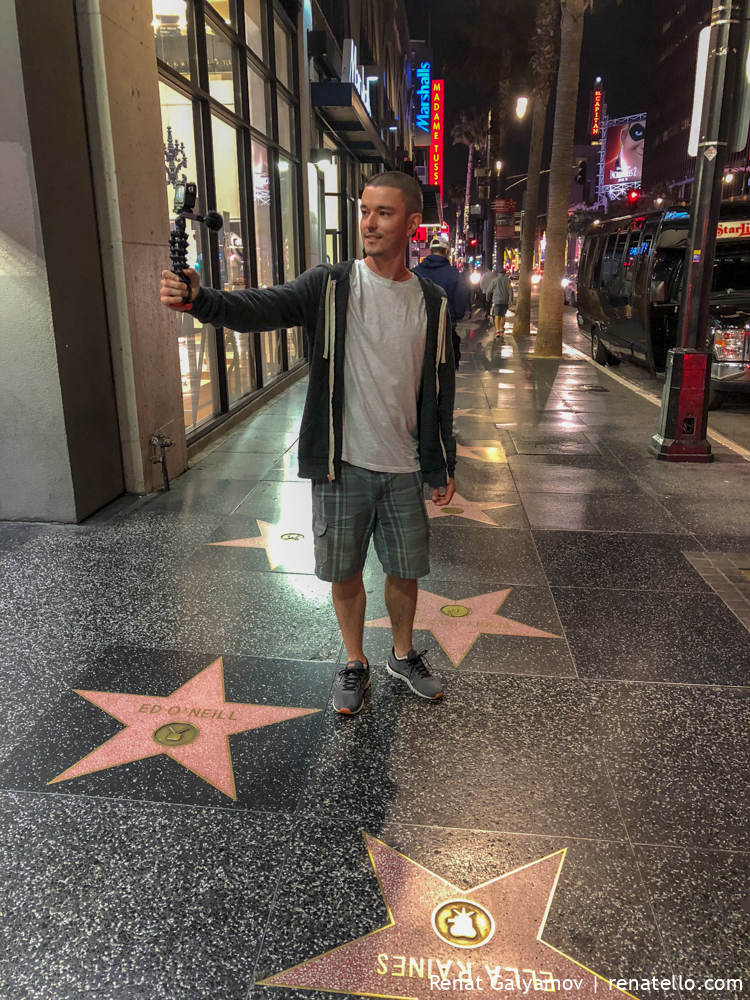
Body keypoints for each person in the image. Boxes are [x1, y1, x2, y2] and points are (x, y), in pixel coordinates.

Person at [159, 172, 457, 717]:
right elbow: (261, 308)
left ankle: (402, 652)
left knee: (405, 570)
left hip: (405, 464)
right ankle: (354, 660)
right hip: (340, 462)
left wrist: (443, 464)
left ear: (413, 224)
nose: (368, 222)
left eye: (384, 213)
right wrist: (203, 300)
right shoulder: (330, 286)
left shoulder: (433, 302)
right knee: (343, 571)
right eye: (365, 210)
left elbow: (441, 388)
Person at [413, 235, 470, 369]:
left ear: (431, 251)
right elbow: (461, 306)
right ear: (446, 252)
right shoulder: (454, 274)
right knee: (444, 372)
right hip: (445, 331)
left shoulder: (415, 273)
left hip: (418, 332)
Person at [486, 266, 514, 336]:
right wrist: (511, 300)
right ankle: (502, 329)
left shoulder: (495, 280)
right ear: (504, 273)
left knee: (496, 315)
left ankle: (497, 330)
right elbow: (510, 291)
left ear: (498, 273)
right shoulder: (508, 280)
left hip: (497, 300)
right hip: (504, 300)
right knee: (503, 315)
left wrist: (487, 296)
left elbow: (489, 289)